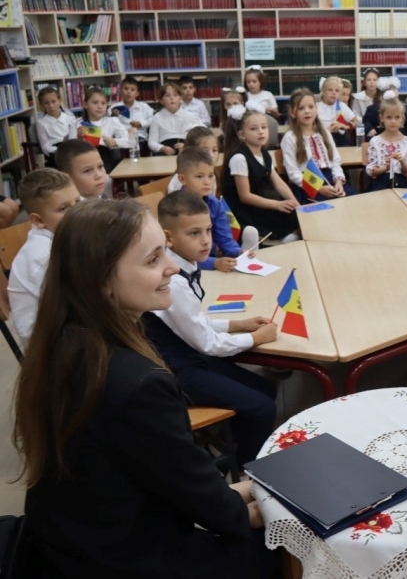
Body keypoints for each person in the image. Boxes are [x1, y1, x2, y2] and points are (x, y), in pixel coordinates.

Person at [13, 198, 277, 578]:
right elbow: (201, 499)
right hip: (122, 559)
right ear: (102, 281)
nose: (173, 267)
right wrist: (262, 513)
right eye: (153, 259)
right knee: (288, 548)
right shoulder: (138, 383)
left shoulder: (62, 345)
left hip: (69, 542)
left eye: (165, 251)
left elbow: (167, 479)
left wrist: (245, 492)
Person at [144, 189, 278, 466]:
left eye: (207, 230)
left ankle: (238, 443)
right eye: (194, 233)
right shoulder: (174, 280)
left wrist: (239, 324)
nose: (206, 240)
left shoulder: (186, 265)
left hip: (193, 355)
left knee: (266, 389)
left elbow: (195, 321)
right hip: (179, 372)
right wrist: (254, 338)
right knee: (263, 407)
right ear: (168, 237)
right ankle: (245, 466)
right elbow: (207, 343)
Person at [8, 169, 79, 343]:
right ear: (38, 220)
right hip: (52, 345)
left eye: (77, 202)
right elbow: (80, 303)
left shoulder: (64, 233)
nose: (76, 212)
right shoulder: (44, 258)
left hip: (71, 325)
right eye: (63, 208)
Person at [221, 102, 300, 242]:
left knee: (299, 215)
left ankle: (288, 240)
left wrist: (295, 203)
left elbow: (279, 183)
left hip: (262, 203)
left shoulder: (264, 153)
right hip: (246, 210)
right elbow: (245, 196)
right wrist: (277, 205)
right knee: (288, 218)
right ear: (242, 135)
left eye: (264, 127)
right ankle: (284, 242)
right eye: (254, 129)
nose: (261, 132)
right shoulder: (239, 158)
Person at [172, 147, 257, 271]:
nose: (207, 182)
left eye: (211, 176)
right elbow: (180, 255)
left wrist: (238, 252)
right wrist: (213, 263)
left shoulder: (215, 204)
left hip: (211, 259)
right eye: (199, 176)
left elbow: (224, 238)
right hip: (187, 269)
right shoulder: (176, 209)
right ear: (182, 179)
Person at [281, 88, 354, 203]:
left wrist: (338, 182)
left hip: (330, 178)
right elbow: (293, 173)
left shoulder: (324, 133)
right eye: (301, 108)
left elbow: (335, 162)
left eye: (311, 107)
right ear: (292, 112)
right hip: (307, 183)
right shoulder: (290, 138)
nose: (307, 111)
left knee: (351, 200)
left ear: (316, 109)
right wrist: (319, 188)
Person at [365, 96, 407, 191]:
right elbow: (371, 171)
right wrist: (385, 168)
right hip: (379, 184)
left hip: (401, 184)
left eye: (397, 117)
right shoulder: (375, 142)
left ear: (402, 119)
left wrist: (402, 162)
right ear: (382, 118)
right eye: (389, 117)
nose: (393, 121)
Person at [74, 86, 129, 174]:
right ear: (85, 104)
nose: (100, 106)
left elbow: (129, 140)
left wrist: (114, 142)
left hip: (106, 159)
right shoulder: (78, 123)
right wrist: (78, 138)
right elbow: (70, 148)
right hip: (85, 159)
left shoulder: (112, 121)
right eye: (95, 103)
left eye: (103, 103)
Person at [361, 76, 407, 141]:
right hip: (381, 139)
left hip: (401, 139)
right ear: (381, 98)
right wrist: (369, 128)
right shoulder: (373, 109)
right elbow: (366, 121)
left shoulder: (403, 108)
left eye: (397, 98)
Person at [149, 82, 200, 156]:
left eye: (175, 95)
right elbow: (151, 142)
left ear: (180, 99)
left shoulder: (189, 116)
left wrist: (187, 145)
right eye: (167, 95)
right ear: (161, 101)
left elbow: (200, 137)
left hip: (185, 149)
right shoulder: (157, 117)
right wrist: (162, 148)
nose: (172, 98)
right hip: (164, 150)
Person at [168, 126, 221, 193]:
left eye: (214, 150)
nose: (211, 155)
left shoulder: (211, 175)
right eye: (205, 151)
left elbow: (212, 198)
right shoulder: (179, 183)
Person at [35, 86, 77, 166]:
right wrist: (59, 150)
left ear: (59, 101)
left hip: (71, 149)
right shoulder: (41, 123)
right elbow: (45, 147)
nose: (51, 106)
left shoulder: (70, 118)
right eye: (46, 103)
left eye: (53, 101)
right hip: (55, 154)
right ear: (41, 105)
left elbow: (73, 138)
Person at [111, 76, 154, 144]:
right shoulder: (114, 107)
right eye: (126, 89)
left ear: (137, 93)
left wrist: (141, 124)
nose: (129, 92)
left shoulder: (144, 107)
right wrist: (113, 117)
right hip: (121, 138)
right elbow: (108, 123)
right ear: (120, 91)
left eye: (132, 90)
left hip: (139, 137)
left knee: (139, 144)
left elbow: (153, 119)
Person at [317, 76, 356, 147]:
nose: (334, 93)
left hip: (340, 139)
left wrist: (344, 126)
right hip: (322, 138)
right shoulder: (316, 107)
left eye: (337, 91)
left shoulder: (342, 106)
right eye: (330, 90)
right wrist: (325, 131)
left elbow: (355, 121)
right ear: (323, 91)